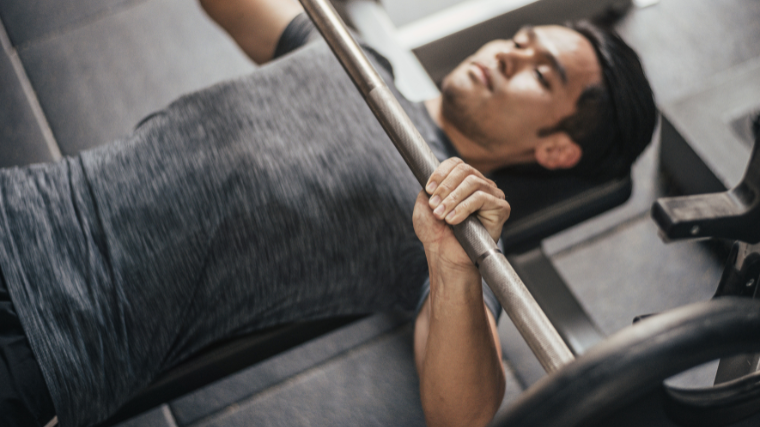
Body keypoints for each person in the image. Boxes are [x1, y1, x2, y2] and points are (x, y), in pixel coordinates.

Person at [0, 0, 656, 426]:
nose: (508, 52)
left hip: (50, 339)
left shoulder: (457, 228)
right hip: (20, 202)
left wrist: (457, 267)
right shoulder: (354, 59)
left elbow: (462, 414)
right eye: (520, 39)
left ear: (557, 146)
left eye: (541, 75)